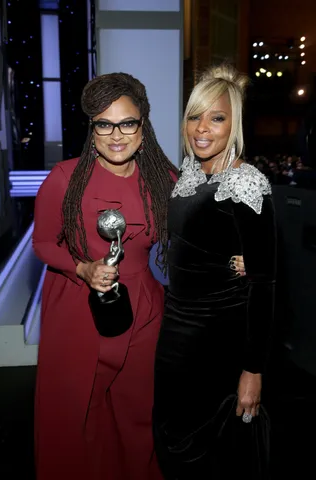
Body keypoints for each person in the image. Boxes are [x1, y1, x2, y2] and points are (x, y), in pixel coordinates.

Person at [33, 72, 245, 480]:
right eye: (104, 124)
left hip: (145, 311)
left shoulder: (163, 180)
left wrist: (236, 257)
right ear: (92, 129)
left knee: (139, 411)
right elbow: (43, 243)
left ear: (142, 127)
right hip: (78, 307)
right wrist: (83, 267)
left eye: (127, 123)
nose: (116, 134)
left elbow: (197, 235)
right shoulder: (64, 179)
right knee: (81, 413)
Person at [153, 63, 277, 479]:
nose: (201, 128)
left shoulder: (247, 183)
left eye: (216, 117)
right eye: (194, 116)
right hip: (175, 336)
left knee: (214, 457)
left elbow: (265, 284)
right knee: (172, 438)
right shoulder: (188, 175)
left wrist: (253, 370)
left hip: (219, 340)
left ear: (234, 123)